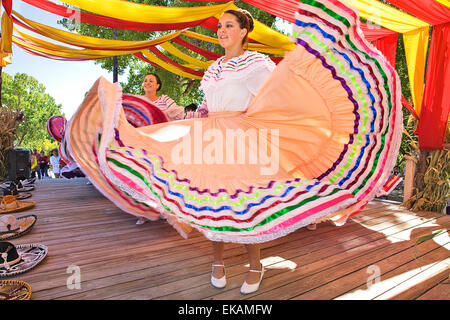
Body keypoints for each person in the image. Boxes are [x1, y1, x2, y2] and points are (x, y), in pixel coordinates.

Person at [66, 0, 402, 296]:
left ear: (243, 31)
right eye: (219, 26)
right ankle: (217, 262)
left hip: (245, 136)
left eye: (228, 25)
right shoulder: (212, 70)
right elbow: (209, 107)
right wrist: (190, 119)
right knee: (212, 201)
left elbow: (276, 96)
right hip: (211, 135)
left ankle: (255, 264)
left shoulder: (257, 64)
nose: (222, 30)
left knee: (245, 201)